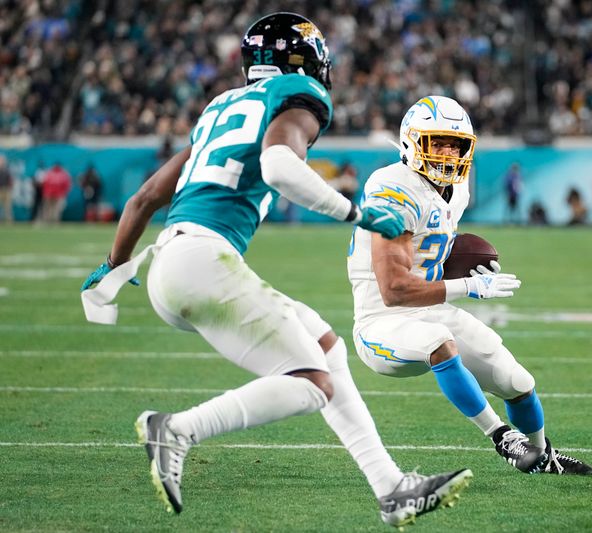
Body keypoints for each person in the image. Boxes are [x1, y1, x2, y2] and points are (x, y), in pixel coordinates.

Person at [79, 13, 471, 528]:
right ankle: (176, 429)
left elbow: (144, 198)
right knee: (312, 381)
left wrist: (111, 267)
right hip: (202, 261)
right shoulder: (298, 94)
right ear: (307, 61)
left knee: (326, 348)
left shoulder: (220, 107)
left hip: (171, 264)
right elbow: (278, 166)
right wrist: (356, 213)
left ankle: (392, 489)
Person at [347, 95, 592, 478]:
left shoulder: (457, 188)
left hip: (430, 307)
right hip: (382, 322)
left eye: (456, 144)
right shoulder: (391, 188)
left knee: (517, 381)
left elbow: (430, 252)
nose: (448, 153)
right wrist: (467, 286)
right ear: (412, 142)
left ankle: (545, 455)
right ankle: (501, 436)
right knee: (438, 342)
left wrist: (457, 263)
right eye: (438, 142)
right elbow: (394, 288)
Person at [0, 154, 13, 223]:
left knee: (7, 206)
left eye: (2, 160)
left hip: (6, 189)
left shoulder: (7, 169)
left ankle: (9, 221)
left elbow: (10, 180)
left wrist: (10, 187)